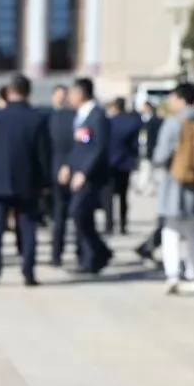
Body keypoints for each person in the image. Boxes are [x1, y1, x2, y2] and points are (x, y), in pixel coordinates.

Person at [0, 73, 49, 286]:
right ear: (28, 92)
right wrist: (44, 182)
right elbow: (43, 155)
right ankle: (28, 272)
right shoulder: (37, 119)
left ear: (9, 92)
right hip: (27, 180)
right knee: (28, 228)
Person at [152, 81, 194, 294]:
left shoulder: (174, 122)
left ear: (181, 99)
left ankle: (173, 274)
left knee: (171, 230)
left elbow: (161, 155)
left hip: (175, 183)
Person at [61, 76, 111, 276]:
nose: (69, 97)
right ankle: (92, 258)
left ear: (81, 93)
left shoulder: (97, 116)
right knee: (83, 216)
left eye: (72, 93)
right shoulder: (81, 115)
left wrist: (84, 172)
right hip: (77, 172)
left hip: (90, 176)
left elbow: (98, 148)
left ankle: (98, 252)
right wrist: (68, 165)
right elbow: (79, 146)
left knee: (78, 212)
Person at [47, 84, 76, 266]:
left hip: (68, 170)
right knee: (56, 215)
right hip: (50, 170)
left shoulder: (74, 116)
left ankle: (60, 253)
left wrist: (68, 165)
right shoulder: (45, 115)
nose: (61, 98)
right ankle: (56, 253)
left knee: (64, 214)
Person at [104, 97, 141, 235]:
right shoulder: (131, 123)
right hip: (125, 163)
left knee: (108, 196)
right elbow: (135, 146)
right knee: (123, 196)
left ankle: (109, 225)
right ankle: (123, 225)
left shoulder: (107, 123)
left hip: (109, 164)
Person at [136, 100, 163, 195]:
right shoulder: (140, 118)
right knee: (145, 168)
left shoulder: (155, 120)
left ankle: (146, 187)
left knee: (148, 169)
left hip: (151, 148)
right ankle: (143, 186)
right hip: (142, 146)